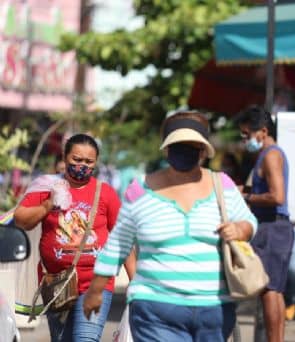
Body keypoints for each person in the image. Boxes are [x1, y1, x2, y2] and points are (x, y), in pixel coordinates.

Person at [82, 110, 257, 341]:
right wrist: (96, 289)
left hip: (213, 310)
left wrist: (240, 229)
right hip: (155, 309)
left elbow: (250, 223)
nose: (184, 151)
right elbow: (119, 242)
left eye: (192, 146)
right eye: (178, 145)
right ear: (166, 149)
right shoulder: (140, 189)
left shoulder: (221, 185)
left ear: (203, 152)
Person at [14, 133, 136, 342]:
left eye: (89, 162)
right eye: (76, 160)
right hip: (57, 286)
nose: (82, 166)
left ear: (96, 163)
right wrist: (48, 205)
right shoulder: (46, 187)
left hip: (96, 285)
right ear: (65, 157)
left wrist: (136, 282)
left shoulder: (105, 193)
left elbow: (123, 238)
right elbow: (21, 220)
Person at [235, 106, 294, 342]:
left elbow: (277, 196)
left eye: (246, 134)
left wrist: (246, 197)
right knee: (274, 291)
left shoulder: (271, 155)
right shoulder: (266, 155)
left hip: (272, 227)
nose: (244, 139)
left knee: (269, 291)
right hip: (274, 228)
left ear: (263, 131)